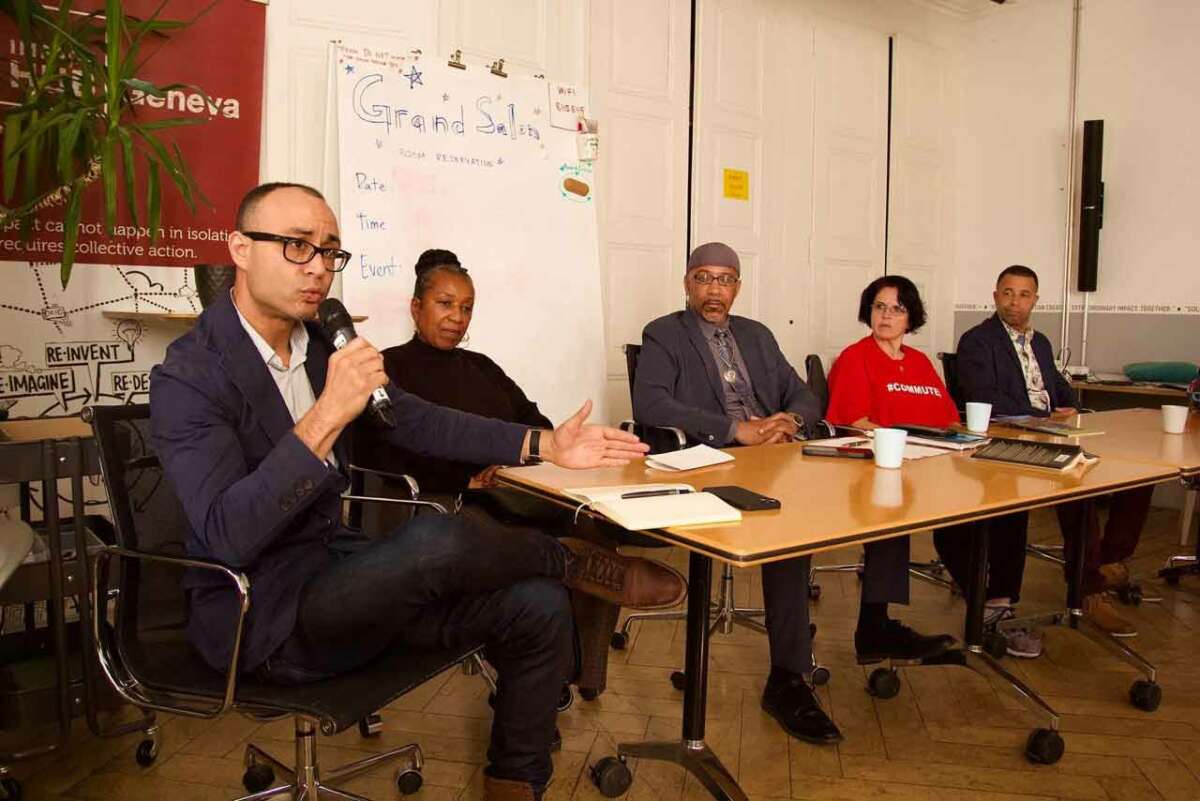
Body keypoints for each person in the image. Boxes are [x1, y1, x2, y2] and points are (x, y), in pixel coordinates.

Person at [149, 182, 688, 801]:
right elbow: (225, 535)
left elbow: (421, 419)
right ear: (240, 249)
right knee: (435, 530)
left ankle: (515, 779)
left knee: (537, 606)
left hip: (343, 575)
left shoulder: (325, 345)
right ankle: (570, 561)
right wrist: (327, 414)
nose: (319, 267)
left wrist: (546, 446)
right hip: (265, 614)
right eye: (297, 247)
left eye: (330, 251)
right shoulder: (188, 376)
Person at [634, 243, 951, 747]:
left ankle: (877, 622)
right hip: (713, 459)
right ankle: (788, 677)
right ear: (687, 284)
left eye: (725, 280)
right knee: (790, 527)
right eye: (703, 278)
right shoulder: (665, 333)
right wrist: (737, 430)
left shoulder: (756, 335)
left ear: (737, 286)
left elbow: (803, 392)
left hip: (780, 452)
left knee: (884, 488)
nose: (714, 289)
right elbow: (650, 402)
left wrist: (792, 420)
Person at [356, 247, 620, 698]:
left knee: (594, 532)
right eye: (445, 304)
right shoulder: (388, 368)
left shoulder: (482, 367)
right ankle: (543, 679)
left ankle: (582, 670)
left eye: (466, 308)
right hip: (444, 505)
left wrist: (520, 455)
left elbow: (534, 423)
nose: (456, 317)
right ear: (416, 307)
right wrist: (464, 479)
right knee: (529, 558)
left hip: (514, 493)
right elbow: (376, 452)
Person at [957, 264, 1151, 637]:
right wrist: (1043, 416)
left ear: (1035, 300)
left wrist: (1072, 407)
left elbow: (1058, 386)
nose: (1015, 301)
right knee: (1076, 483)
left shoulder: (1040, 343)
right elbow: (984, 396)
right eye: (1008, 293)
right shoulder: (978, 341)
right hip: (1012, 438)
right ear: (995, 296)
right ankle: (1089, 589)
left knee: (1138, 472)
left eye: (1024, 294)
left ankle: (1106, 561)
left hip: (1055, 432)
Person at [825, 275, 997, 657]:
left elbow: (949, 420)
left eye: (897, 308)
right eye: (879, 306)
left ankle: (988, 607)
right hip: (878, 468)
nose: (886, 315)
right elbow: (854, 422)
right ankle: (875, 628)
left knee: (982, 505)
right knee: (892, 511)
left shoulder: (918, 362)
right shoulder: (856, 357)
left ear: (910, 317)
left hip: (930, 466)